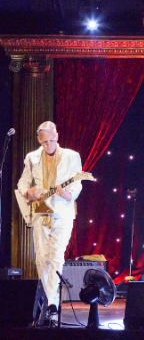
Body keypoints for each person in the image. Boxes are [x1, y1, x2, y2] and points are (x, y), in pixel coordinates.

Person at [17, 121, 82, 316]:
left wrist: (68, 194)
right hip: (41, 210)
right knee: (42, 258)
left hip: (63, 211)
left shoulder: (71, 156)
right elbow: (22, 183)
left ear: (57, 136)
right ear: (39, 139)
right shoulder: (32, 157)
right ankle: (50, 298)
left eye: (52, 140)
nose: (49, 145)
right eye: (45, 141)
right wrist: (28, 192)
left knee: (56, 255)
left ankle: (52, 301)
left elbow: (77, 183)